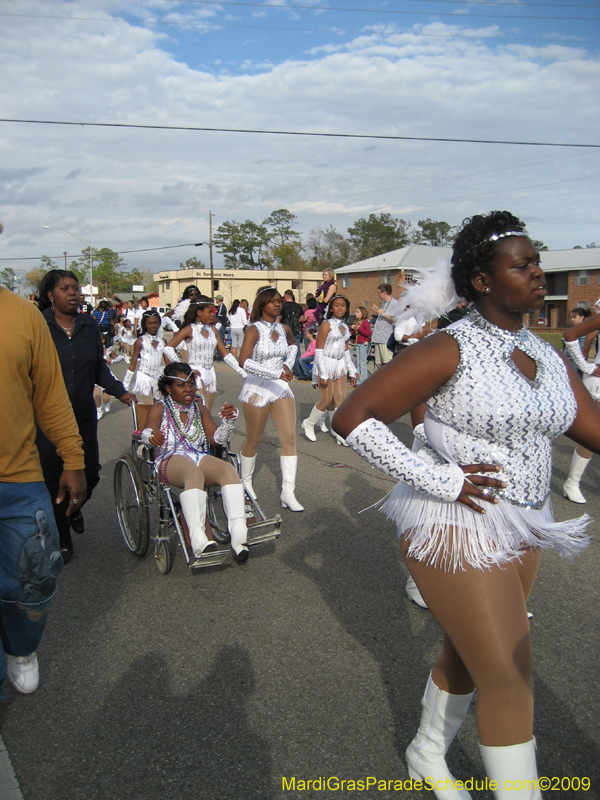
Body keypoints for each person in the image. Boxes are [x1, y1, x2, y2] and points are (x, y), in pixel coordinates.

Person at [333, 211, 600, 799]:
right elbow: (350, 418)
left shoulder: (548, 354)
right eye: (523, 265)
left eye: (537, 263)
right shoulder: (450, 348)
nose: (537, 274)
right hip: (454, 521)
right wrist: (439, 478)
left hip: (526, 522)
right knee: (508, 674)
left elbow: (592, 426)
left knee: (469, 649)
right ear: (482, 281)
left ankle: (426, 751)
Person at [1, 250, 87, 700]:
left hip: (18, 479)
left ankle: (21, 647)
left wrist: (73, 458)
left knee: (35, 578)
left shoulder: (23, 317)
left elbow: (50, 395)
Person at [36, 270, 136, 561]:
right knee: (55, 476)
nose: (73, 292)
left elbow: (99, 369)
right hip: (48, 418)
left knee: (89, 472)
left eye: (75, 287)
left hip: (82, 414)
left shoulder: (89, 325)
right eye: (64, 288)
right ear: (50, 295)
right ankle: (62, 535)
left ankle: (73, 509)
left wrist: (120, 392)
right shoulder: (39, 324)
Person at [142, 363, 249, 562]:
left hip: (197, 456)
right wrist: (150, 436)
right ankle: (198, 537)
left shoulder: (199, 409)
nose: (189, 389)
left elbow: (216, 439)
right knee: (193, 473)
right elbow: (146, 432)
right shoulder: (160, 408)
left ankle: (238, 531)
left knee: (227, 469)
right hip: (168, 459)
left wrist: (229, 421)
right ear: (168, 388)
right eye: (181, 385)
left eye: (191, 384)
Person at [238, 287, 303, 512]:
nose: (277, 304)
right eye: (272, 301)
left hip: (280, 387)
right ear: (261, 305)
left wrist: (288, 364)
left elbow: (294, 345)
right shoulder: (253, 330)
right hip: (257, 387)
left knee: (289, 438)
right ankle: (245, 482)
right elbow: (243, 361)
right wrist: (274, 373)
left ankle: (288, 492)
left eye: (278, 301)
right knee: (253, 440)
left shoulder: (284, 328)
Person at [163, 297, 246, 411]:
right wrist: (184, 369)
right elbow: (168, 348)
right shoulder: (189, 329)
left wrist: (243, 374)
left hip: (211, 374)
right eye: (210, 312)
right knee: (199, 410)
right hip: (196, 373)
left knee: (207, 412)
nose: (213, 315)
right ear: (199, 312)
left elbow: (226, 355)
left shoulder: (213, 331)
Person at [302, 296, 358, 445]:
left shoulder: (345, 327)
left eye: (343, 306)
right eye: (337, 305)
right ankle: (309, 423)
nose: (340, 308)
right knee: (326, 400)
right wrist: (323, 373)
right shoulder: (326, 325)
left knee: (339, 399)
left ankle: (337, 429)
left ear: (346, 309)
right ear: (331, 308)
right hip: (325, 363)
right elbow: (319, 351)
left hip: (340, 364)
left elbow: (346, 351)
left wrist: (352, 370)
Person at [561, 306, 600, 504]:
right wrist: (587, 367)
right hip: (599, 383)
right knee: (593, 435)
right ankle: (572, 482)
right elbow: (571, 334)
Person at [123, 310, 167, 404]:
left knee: (158, 405)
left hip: (158, 376)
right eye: (150, 323)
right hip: (144, 376)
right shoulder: (140, 341)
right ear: (145, 325)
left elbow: (168, 363)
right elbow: (133, 364)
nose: (153, 326)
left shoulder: (163, 341)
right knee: (149, 406)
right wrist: (125, 385)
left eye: (156, 322)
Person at [371, 283, 402, 369]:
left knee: (388, 364)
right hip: (379, 339)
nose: (378, 295)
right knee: (381, 365)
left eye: (379, 292)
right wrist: (378, 311)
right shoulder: (385, 304)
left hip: (385, 339)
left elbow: (395, 319)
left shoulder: (395, 304)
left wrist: (383, 314)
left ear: (384, 292)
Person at [279, 290, 304, 375]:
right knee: (296, 351)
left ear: (285, 296)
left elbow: (278, 319)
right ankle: (298, 371)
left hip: (285, 331)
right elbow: (302, 319)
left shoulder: (283, 307)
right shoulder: (299, 307)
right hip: (296, 330)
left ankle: (287, 369)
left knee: (286, 351)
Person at [351, 307, 371, 385]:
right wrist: (353, 328)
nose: (355, 313)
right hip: (358, 343)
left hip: (363, 343)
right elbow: (355, 334)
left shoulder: (365, 322)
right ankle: (359, 380)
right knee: (358, 363)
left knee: (362, 363)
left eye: (357, 312)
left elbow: (368, 333)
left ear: (362, 313)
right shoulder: (358, 322)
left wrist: (360, 329)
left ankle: (363, 380)